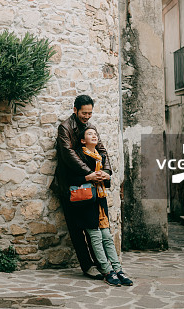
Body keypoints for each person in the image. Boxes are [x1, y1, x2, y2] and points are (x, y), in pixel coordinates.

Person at [51, 95, 124, 283]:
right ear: (75, 110)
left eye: (90, 113)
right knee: (76, 229)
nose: (87, 116)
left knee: (94, 225)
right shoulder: (65, 128)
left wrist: (105, 171)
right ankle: (87, 265)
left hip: (90, 185)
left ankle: (101, 264)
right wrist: (89, 173)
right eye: (84, 113)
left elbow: (102, 150)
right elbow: (67, 154)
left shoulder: (90, 128)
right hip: (70, 183)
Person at [74, 127, 134, 286]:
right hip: (87, 201)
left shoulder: (100, 157)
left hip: (100, 200)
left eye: (95, 134)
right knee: (95, 237)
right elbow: (72, 177)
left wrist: (105, 176)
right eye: (89, 134)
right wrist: (89, 176)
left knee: (107, 236)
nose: (94, 136)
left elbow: (107, 180)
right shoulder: (78, 156)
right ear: (82, 140)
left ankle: (118, 269)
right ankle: (107, 271)